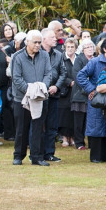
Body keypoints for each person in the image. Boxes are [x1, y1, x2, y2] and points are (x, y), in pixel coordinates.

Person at [10, 31, 54, 166]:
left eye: (39, 42)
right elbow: (16, 78)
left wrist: (41, 89)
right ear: (27, 42)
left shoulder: (45, 55)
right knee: (21, 129)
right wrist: (30, 91)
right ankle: (18, 156)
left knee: (38, 128)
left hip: (40, 98)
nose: (37, 45)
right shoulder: (17, 57)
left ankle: (37, 157)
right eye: (35, 42)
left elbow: (48, 74)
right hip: (21, 99)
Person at [40, 28, 64, 163]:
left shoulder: (59, 55)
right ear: (44, 39)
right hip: (40, 95)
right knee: (39, 125)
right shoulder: (37, 53)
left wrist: (57, 86)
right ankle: (38, 152)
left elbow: (63, 73)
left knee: (52, 126)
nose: (56, 39)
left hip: (54, 95)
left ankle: (49, 153)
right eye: (52, 37)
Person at [69, 38, 96, 151]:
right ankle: (79, 142)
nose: (90, 49)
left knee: (91, 120)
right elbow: (77, 76)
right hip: (80, 95)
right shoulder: (79, 60)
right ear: (82, 49)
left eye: (91, 47)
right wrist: (89, 90)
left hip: (93, 94)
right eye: (87, 47)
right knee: (79, 121)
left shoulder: (96, 59)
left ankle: (91, 142)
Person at [57, 38, 80, 148]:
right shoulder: (61, 58)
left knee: (73, 114)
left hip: (77, 90)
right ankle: (65, 137)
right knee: (64, 114)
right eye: (68, 47)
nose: (70, 49)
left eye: (72, 47)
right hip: (64, 90)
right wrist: (69, 82)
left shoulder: (79, 59)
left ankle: (73, 137)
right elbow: (58, 73)